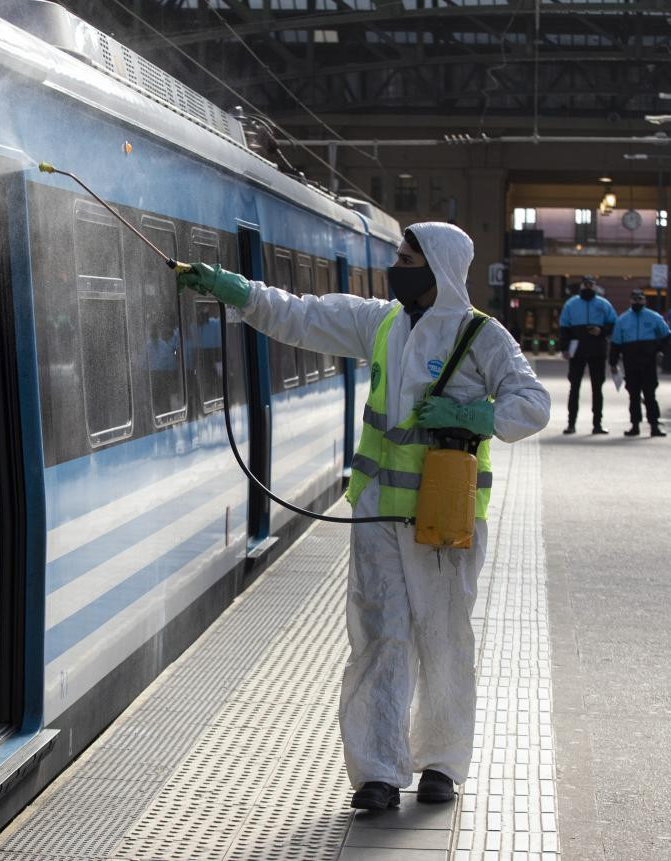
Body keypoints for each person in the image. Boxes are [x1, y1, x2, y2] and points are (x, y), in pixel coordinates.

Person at [177, 223, 550, 809]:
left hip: (445, 522)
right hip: (377, 516)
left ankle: (441, 766)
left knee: (444, 641)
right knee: (379, 639)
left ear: (439, 267)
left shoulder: (486, 338)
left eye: (406, 258)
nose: (396, 266)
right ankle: (377, 772)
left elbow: (533, 405)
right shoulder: (382, 323)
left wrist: (479, 416)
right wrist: (235, 290)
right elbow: (300, 315)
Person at [558, 277, 617, 435]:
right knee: (574, 387)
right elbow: (564, 327)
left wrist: (601, 331)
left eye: (591, 284)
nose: (589, 287)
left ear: (595, 286)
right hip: (577, 351)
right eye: (586, 284)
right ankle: (571, 424)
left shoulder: (604, 304)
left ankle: (597, 424)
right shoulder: (571, 304)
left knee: (597, 388)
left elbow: (613, 324)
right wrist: (564, 348)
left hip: (597, 349)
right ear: (582, 286)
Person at [609, 289, 671, 437]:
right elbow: (616, 343)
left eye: (640, 299)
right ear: (630, 301)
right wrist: (613, 363)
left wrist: (658, 350)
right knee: (634, 396)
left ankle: (654, 426)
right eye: (635, 299)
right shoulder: (622, 319)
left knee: (650, 395)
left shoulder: (654, 317)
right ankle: (635, 426)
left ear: (645, 301)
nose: (638, 302)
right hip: (630, 361)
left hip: (648, 362)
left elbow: (666, 335)